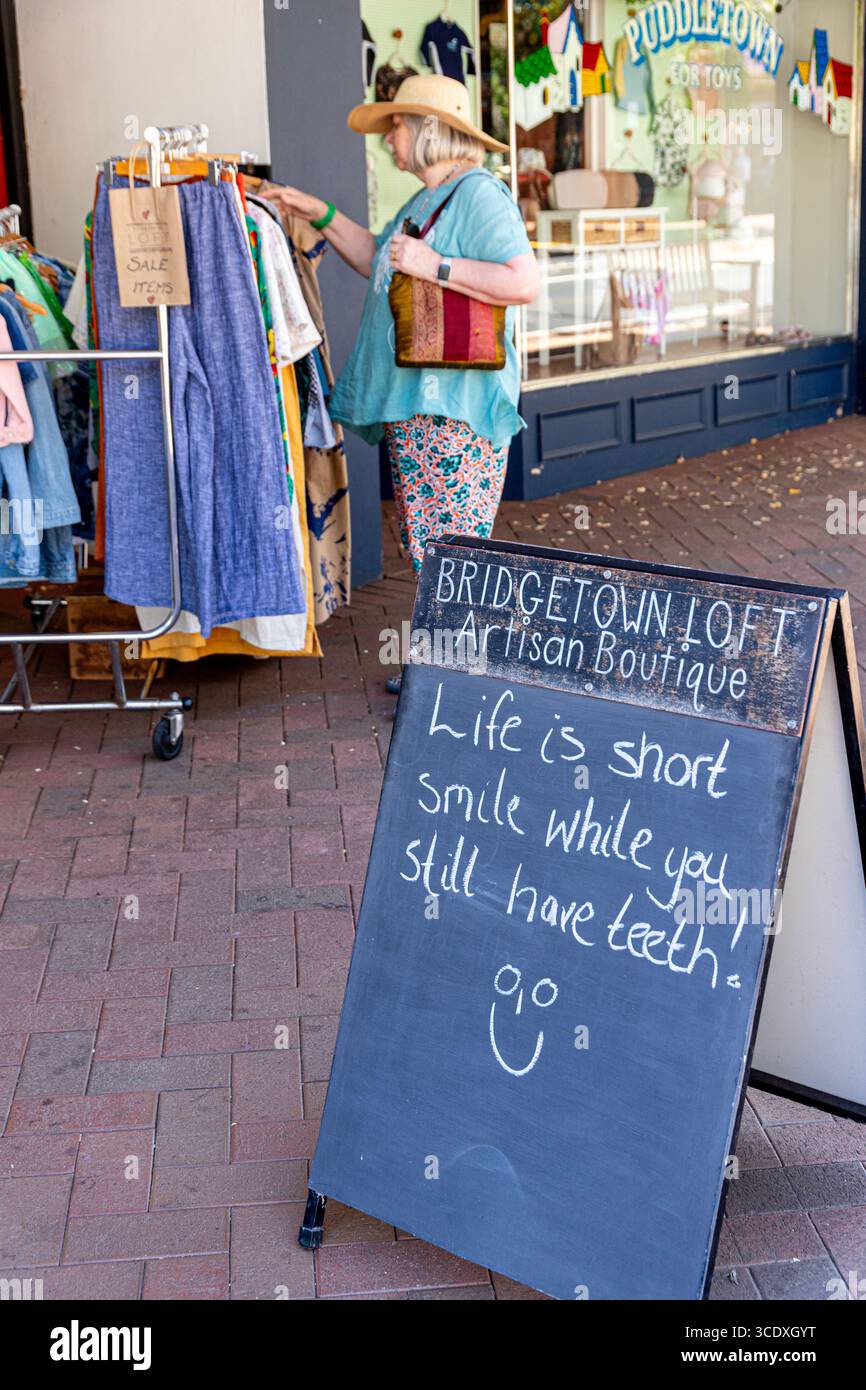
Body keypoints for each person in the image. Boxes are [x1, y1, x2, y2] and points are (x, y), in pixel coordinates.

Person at [261, 76, 539, 689]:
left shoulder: (478, 195)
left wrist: (435, 264)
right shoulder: (424, 202)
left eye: (397, 125)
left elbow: (523, 282)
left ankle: (463, 674)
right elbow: (377, 258)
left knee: (453, 542)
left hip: (455, 402)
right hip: (420, 400)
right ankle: (451, 665)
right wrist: (320, 214)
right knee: (432, 539)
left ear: (428, 131)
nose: (389, 138)